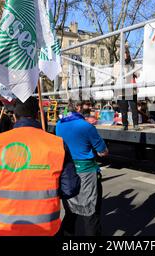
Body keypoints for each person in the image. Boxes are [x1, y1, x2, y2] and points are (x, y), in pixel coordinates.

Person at [0, 97, 80, 236]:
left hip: (3, 229)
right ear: (38, 115)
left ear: (14, 116)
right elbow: (71, 189)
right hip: (47, 229)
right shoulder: (57, 144)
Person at [56, 101, 108, 236]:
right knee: (91, 214)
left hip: (67, 172)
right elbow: (103, 152)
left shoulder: (59, 124)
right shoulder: (86, 126)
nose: (89, 109)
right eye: (86, 106)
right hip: (87, 174)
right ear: (78, 108)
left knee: (70, 212)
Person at [113, 48, 139, 130]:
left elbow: (138, 74)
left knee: (134, 108)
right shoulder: (117, 64)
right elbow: (115, 76)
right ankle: (125, 125)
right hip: (122, 90)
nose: (126, 54)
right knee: (123, 110)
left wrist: (133, 72)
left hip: (131, 89)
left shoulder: (133, 63)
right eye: (124, 53)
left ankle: (136, 125)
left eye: (127, 52)